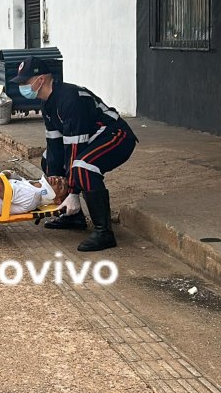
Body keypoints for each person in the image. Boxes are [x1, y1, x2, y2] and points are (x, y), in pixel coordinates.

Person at [11, 56, 137, 251]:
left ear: (41, 80)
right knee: (47, 159)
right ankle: (73, 216)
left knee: (82, 166)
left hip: (117, 136)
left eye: (25, 82)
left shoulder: (69, 98)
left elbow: (75, 147)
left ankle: (104, 232)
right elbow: (55, 146)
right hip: (89, 140)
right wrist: (55, 179)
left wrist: (73, 192)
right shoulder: (46, 103)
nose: (22, 87)